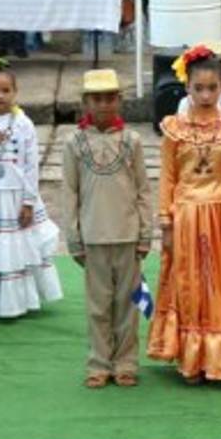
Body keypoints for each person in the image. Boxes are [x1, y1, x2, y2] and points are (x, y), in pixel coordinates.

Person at [148, 44, 221, 383]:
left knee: (220, 284)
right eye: (198, 88)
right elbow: (168, 177)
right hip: (186, 215)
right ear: (186, 87)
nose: (205, 94)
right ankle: (192, 358)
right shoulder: (174, 128)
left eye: (212, 88)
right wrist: (166, 222)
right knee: (189, 284)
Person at [61, 69, 153, 388]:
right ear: (85, 102)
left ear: (120, 101)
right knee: (98, 305)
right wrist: (73, 237)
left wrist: (145, 234)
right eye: (96, 99)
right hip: (93, 236)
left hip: (127, 235)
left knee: (128, 305)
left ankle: (126, 362)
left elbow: (143, 190)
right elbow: (70, 192)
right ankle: (99, 362)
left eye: (110, 98)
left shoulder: (132, 141)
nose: (103, 105)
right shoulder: (74, 143)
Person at [0, 59, 63, 318]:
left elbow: (30, 165)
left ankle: (18, 302)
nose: (0, 96)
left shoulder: (23, 124)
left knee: (15, 243)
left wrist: (28, 201)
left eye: (6, 90)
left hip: (15, 193)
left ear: (15, 92)